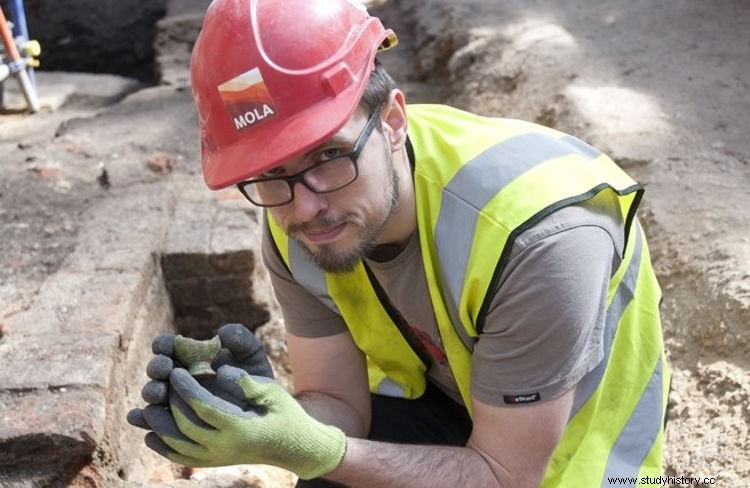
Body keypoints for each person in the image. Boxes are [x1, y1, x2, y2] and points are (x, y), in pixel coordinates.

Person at [128, 0, 671, 486]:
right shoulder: (294, 217)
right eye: (270, 173)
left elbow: (504, 474)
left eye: (327, 156)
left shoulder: (540, 238)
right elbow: (341, 406)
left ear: (391, 122)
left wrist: (317, 449)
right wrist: (266, 417)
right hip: (452, 400)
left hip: (564, 460)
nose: (305, 207)